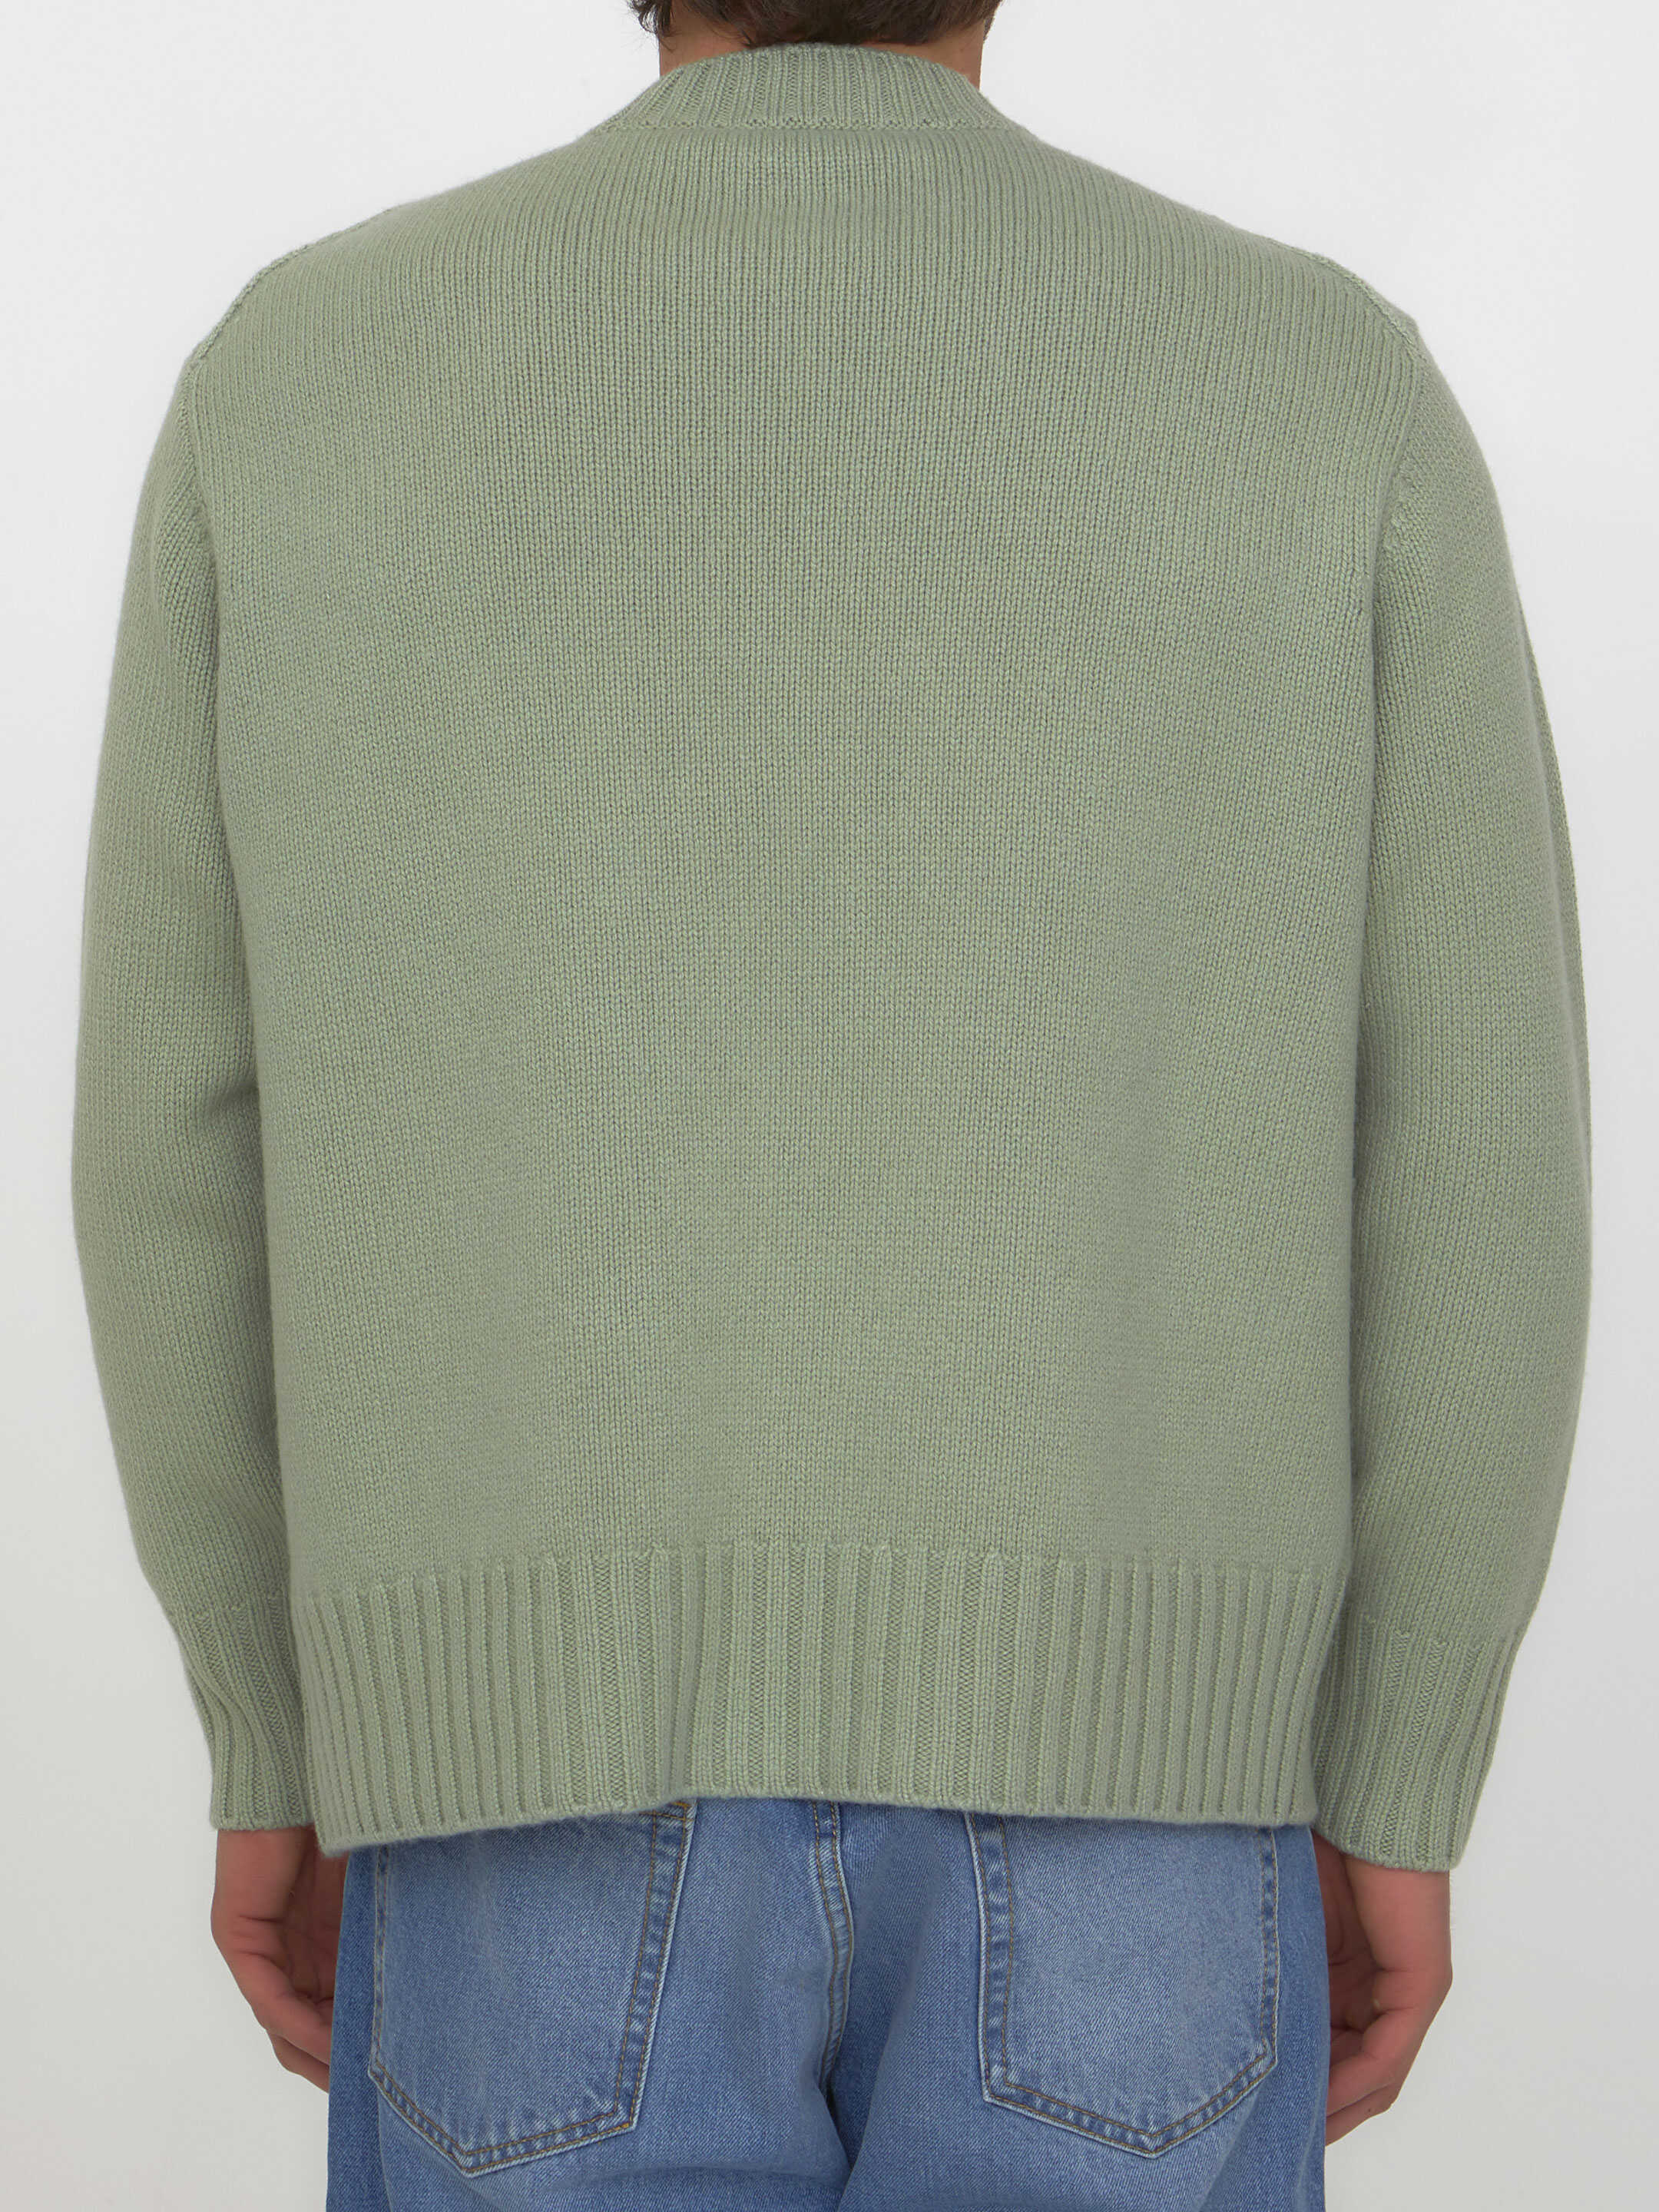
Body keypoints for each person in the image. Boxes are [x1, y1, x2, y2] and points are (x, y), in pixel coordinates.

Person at [70, 1, 1593, 2204]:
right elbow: (1478, 1157)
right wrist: (1399, 1773)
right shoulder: (1317, 379)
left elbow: (174, 1142)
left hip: (516, 1800)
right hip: (1145, 1820)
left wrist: (280, 1732)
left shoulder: (300, 380)